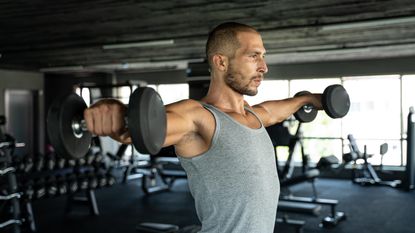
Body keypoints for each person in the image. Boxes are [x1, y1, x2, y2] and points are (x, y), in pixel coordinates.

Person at [84, 22, 322, 233]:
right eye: (253, 56)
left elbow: (274, 110)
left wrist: (309, 100)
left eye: (263, 56)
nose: (264, 67)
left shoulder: (252, 114)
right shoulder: (198, 117)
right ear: (220, 61)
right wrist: (113, 110)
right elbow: (142, 127)